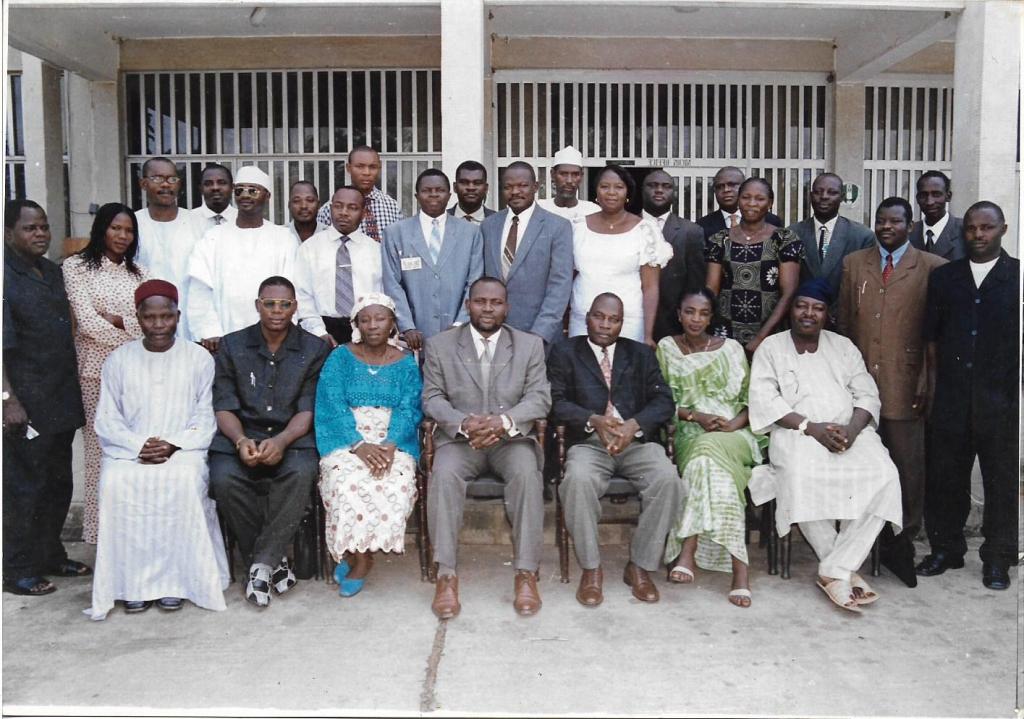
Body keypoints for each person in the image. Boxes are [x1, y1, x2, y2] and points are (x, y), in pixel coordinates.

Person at [747, 280, 903, 613]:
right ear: (791, 310)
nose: (809, 313)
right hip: (797, 433)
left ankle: (835, 569)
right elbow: (765, 401)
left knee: (885, 476)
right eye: (802, 306)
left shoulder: (843, 347)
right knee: (799, 476)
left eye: (817, 308)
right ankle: (843, 571)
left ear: (826, 314)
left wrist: (852, 430)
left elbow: (867, 394)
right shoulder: (771, 348)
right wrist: (811, 428)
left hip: (848, 432)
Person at [87, 280, 229, 619]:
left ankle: (177, 584)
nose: (158, 325)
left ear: (178, 316)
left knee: (183, 480)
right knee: (115, 482)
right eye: (150, 317)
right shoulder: (119, 359)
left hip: (183, 450)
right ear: (138, 318)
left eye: (166, 316)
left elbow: (205, 415)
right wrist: (139, 445)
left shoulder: (199, 358)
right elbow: (107, 418)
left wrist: (173, 443)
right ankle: (131, 587)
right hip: (129, 450)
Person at [421, 277, 550, 618]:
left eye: (496, 302)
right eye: (480, 301)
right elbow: (432, 397)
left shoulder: (529, 345)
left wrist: (503, 422)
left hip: (510, 440)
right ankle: (446, 575)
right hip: (461, 441)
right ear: (468, 305)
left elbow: (539, 398)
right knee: (443, 475)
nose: (488, 309)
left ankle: (526, 573)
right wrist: (464, 424)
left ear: (507, 307)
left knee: (527, 474)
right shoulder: (440, 345)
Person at [837, 197, 947, 588]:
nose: (887, 227)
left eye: (895, 221)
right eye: (881, 220)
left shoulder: (933, 267)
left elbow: (937, 334)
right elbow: (845, 325)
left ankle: (902, 540)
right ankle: (862, 541)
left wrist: (927, 378)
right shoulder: (854, 264)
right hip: (860, 382)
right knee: (859, 461)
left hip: (906, 382)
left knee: (905, 464)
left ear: (910, 225)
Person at [549, 293, 682, 606]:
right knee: (577, 481)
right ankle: (591, 569)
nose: (605, 325)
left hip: (634, 442)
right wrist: (592, 420)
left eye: (614, 319)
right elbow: (554, 402)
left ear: (623, 323)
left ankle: (639, 566)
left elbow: (664, 401)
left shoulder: (640, 354)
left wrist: (634, 425)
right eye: (599, 317)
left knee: (668, 481)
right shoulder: (565, 351)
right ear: (587, 317)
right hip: (589, 444)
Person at [208, 276, 330, 608]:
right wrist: (240, 440)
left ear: (295, 307)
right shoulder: (232, 345)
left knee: (301, 473)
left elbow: (308, 408)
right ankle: (273, 561)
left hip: (293, 436)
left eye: (285, 304)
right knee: (223, 477)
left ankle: (260, 564)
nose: (277, 310)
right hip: (241, 435)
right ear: (257, 305)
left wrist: (283, 440)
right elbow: (224, 405)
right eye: (270, 304)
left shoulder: (314, 349)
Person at [916, 201, 1019, 590]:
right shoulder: (946, 278)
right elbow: (930, 339)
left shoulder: (1016, 276)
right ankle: (946, 550)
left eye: (986, 228)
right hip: (952, 397)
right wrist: (933, 389)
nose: (978, 234)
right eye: (972, 228)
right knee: (946, 478)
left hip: (1000, 402)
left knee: (1000, 482)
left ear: (1002, 229)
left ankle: (997, 559)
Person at [3, 200, 90, 596]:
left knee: (57, 483)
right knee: (24, 486)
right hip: (25, 403)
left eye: (43, 227)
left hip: (59, 396)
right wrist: (8, 399)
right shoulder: (6, 277)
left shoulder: (52, 272)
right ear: (8, 233)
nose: (39, 234)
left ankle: (50, 554)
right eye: (29, 228)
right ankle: (17, 568)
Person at [657, 288, 764, 608]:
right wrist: (696, 416)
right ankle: (740, 571)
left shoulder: (732, 349)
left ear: (711, 317)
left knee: (706, 457)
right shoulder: (666, 348)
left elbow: (752, 401)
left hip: (735, 433)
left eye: (703, 313)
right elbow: (659, 401)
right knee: (707, 462)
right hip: (689, 432)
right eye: (690, 312)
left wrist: (734, 424)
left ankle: (687, 553)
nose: (696, 319)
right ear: (679, 314)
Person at [315, 293, 422, 597]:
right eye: (365, 320)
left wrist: (390, 444)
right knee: (345, 481)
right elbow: (331, 403)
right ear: (356, 324)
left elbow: (410, 407)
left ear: (392, 323)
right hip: (346, 437)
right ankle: (359, 556)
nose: (373, 325)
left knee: (393, 481)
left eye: (380, 318)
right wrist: (358, 444)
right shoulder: (340, 358)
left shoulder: (405, 362)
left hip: (392, 440)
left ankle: (363, 554)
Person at [64, 202, 151, 545]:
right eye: (116, 228)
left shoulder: (141, 274)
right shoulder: (76, 268)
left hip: (135, 372)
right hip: (95, 372)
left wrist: (117, 320)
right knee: (99, 454)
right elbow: (87, 324)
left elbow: (150, 325)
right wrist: (130, 328)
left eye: (128, 230)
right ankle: (101, 536)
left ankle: (133, 533)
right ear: (101, 228)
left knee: (134, 450)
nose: (122, 235)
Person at [187, 165, 298, 353]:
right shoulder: (213, 237)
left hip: (272, 338)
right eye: (240, 190)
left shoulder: (284, 238)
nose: (245, 195)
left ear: (267, 196)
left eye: (253, 190)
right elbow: (200, 290)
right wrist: (209, 331)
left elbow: (291, 289)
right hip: (223, 338)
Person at [568, 164, 672, 347]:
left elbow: (650, 287)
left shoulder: (645, 230)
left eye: (618, 187)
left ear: (627, 192)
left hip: (628, 322)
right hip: (582, 319)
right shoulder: (578, 227)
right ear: (596, 191)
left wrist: (648, 335)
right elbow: (568, 276)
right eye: (604, 186)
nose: (611, 192)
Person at [381, 168, 484, 351]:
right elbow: (392, 283)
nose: (433, 195)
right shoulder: (396, 233)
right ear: (416, 196)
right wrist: (407, 326)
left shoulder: (470, 233)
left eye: (440, 190)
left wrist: (460, 323)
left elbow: (475, 283)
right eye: (427, 190)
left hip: (458, 336)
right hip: (413, 338)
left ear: (449, 195)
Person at [705, 176, 803, 355]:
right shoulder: (720, 239)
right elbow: (711, 290)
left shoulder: (784, 239)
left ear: (770, 203)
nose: (751, 203)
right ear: (738, 200)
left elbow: (788, 293)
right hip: (726, 333)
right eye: (746, 197)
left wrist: (761, 338)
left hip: (771, 334)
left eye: (759, 199)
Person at [480, 161, 573, 347]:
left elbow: (560, 286)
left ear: (536, 187)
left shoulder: (557, 227)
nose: (515, 191)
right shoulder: (488, 225)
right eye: (508, 187)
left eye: (522, 185)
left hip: (538, 335)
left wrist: (540, 333)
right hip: (493, 333)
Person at [295, 186, 380, 348]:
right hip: (320, 330)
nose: (344, 213)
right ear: (330, 208)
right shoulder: (310, 248)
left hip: (366, 331)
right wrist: (318, 332)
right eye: (338, 206)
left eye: (352, 208)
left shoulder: (376, 251)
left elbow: (382, 295)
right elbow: (302, 295)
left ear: (363, 213)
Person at [135, 156, 203, 341]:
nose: (166, 184)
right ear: (143, 184)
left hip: (190, 320)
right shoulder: (133, 223)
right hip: (147, 322)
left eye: (172, 179)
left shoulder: (198, 223)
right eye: (157, 178)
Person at [642, 169, 707, 341]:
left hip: (673, 325)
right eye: (652, 185)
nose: (659, 190)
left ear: (674, 193)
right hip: (630, 319)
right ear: (642, 190)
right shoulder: (627, 226)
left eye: (666, 186)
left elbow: (695, 284)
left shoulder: (691, 232)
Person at [789, 173, 874, 303]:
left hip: (845, 313)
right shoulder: (792, 233)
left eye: (832, 192)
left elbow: (865, 286)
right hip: (804, 313)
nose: (824, 197)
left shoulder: (862, 236)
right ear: (811, 196)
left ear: (842, 197)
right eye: (818, 192)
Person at [315, 146, 404, 240]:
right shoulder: (330, 209)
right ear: (348, 168)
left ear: (379, 168)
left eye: (372, 167)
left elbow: (400, 242)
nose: (366, 172)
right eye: (360, 167)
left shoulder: (392, 206)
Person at [697, 166, 783, 240]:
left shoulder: (771, 221)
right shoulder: (702, 226)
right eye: (720, 186)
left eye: (732, 185)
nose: (726, 190)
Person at [908, 171, 965, 261]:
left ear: (948, 196)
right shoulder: (908, 233)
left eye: (936, 195)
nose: (929, 202)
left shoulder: (965, 230)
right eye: (923, 195)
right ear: (917, 199)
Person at [537, 145, 600, 224]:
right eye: (563, 174)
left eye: (575, 174)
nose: (569, 181)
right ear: (552, 174)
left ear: (581, 176)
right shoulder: (539, 209)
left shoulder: (592, 211)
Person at [189, 163, 237, 234]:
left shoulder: (244, 219)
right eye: (208, 183)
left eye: (222, 183)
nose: (215, 188)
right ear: (201, 189)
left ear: (232, 187)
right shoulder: (188, 220)